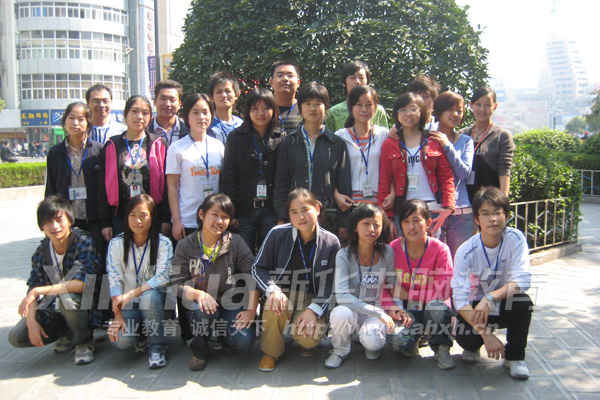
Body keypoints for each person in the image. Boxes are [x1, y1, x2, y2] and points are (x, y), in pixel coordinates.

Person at [253, 188, 340, 372]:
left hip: (311, 297)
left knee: (309, 339)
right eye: (294, 212)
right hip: (282, 293)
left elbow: (330, 283)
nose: (300, 217)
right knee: (274, 306)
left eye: (305, 210)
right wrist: (272, 289)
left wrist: (314, 309)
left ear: (317, 209)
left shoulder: (331, 242)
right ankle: (271, 352)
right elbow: (258, 267)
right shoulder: (277, 234)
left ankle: (303, 342)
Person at [452, 186, 533, 380]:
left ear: (506, 216)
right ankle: (474, 346)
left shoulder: (515, 239)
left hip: (503, 302)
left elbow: (523, 279)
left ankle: (514, 357)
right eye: (486, 214)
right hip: (476, 308)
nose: (493, 219)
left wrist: (491, 297)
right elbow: (460, 299)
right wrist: (486, 334)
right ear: (477, 219)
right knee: (467, 340)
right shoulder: (466, 251)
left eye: (498, 213)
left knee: (523, 302)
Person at [8, 196, 100, 365]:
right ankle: (66, 332)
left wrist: (38, 291)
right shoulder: (42, 251)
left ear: (70, 220)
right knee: (17, 337)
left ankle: (83, 342)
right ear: (41, 226)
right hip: (54, 308)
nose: (55, 226)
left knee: (66, 299)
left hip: (86, 305)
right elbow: (33, 286)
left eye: (59, 220)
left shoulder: (82, 242)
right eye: (48, 222)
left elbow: (81, 284)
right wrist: (31, 321)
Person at [171, 194, 258, 371]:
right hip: (201, 306)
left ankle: (225, 338)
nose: (220, 221)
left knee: (243, 341)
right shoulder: (185, 245)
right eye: (215, 214)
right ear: (201, 214)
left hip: (231, 304)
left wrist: (250, 310)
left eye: (225, 217)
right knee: (199, 311)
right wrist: (198, 294)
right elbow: (176, 284)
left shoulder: (235, 242)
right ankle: (200, 351)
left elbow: (253, 276)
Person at [273, 82, 352, 237]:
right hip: (296, 215)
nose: (312, 108)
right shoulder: (289, 142)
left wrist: (344, 222)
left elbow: (344, 185)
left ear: (326, 108)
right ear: (300, 107)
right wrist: (281, 217)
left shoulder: (337, 143)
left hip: (328, 216)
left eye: (318, 103)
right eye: (307, 104)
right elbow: (281, 183)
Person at [325, 203, 396, 368]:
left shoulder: (387, 252)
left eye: (376, 225)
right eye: (365, 223)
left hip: (376, 311)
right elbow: (342, 296)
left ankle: (368, 342)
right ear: (355, 227)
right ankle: (340, 351)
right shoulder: (343, 254)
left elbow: (392, 286)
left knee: (372, 342)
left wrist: (393, 310)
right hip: (351, 309)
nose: (371, 229)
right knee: (340, 314)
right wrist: (378, 313)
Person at [386, 199, 455, 370]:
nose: (411, 227)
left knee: (437, 308)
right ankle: (414, 341)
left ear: (428, 222)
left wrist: (409, 294)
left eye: (417, 220)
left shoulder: (440, 249)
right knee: (399, 342)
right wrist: (394, 307)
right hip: (408, 309)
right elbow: (386, 285)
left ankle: (441, 347)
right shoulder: (393, 248)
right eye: (406, 221)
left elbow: (443, 292)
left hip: (434, 308)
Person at [107, 194, 173, 369]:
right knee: (120, 340)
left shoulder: (164, 243)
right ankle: (141, 336)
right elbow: (114, 278)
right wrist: (117, 315)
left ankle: (157, 348)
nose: (138, 221)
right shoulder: (116, 244)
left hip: (156, 303)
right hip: (127, 305)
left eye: (143, 215)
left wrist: (131, 294)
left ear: (152, 217)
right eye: (133, 215)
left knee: (148, 296)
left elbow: (162, 277)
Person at [378, 92, 455, 237]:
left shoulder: (433, 140)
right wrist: (388, 217)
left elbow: (446, 176)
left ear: (422, 112)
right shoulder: (390, 144)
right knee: (402, 250)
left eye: (413, 109)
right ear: (396, 114)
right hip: (402, 210)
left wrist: (448, 207)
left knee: (431, 250)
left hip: (431, 209)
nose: (408, 114)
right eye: (403, 110)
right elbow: (384, 181)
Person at [98, 95, 170, 243]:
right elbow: (102, 185)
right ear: (125, 115)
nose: (140, 117)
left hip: (151, 213)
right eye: (135, 111)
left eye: (145, 113)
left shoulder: (158, 144)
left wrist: (165, 217)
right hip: (120, 215)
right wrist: (105, 221)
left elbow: (168, 183)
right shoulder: (112, 145)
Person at [220, 88, 282, 252]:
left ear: (273, 110)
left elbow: (283, 178)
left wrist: (281, 213)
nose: (260, 113)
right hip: (244, 210)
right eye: (255, 108)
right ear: (248, 111)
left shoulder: (280, 137)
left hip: (270, 209)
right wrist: (231, 212)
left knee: (268, 255)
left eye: (266, 108)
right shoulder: (236, 137)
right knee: (242, 256)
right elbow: (229, 176)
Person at [45, 102, 104, 256]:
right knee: (69, 261)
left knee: (97, 261)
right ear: (64, 120)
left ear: (88, 122)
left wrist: (106, 221)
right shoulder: (55, 153)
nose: (75, 123)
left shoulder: (99, 150)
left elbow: (105, 189)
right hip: (65, 222)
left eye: (81, 119)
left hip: (94, 221)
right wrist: (49, 220)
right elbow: (51, 188)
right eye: (71, 118)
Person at [166, 93, 225, 241]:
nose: (201, 117)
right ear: (186, 116)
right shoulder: (177, 148)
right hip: (188, 220)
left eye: (205, 112)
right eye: (195, 112)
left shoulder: (218, 146)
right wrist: (176, 221)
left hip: (215, 220)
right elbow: (172, 187)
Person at [429, 92, 474, 258]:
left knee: (460, 261)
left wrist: (447, 145)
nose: (455, 114)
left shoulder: (466, 141)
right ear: (439, 110)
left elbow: (463, 172)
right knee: (435, 260)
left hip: (461, 212)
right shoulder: (427, 138)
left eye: (459, 111)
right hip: (435, 210)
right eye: (450, 109)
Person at [334, 85, 389, 206]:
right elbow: (330, 171)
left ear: (375, 107)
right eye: (359, 105)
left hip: (378, 204)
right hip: (349, 203)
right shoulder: (340, 136)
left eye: (369, 104)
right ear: (351, 107)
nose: (364, 109)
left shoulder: (384, 135)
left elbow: (392, 169)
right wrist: (336, 195)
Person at [459, 87, 515, 201]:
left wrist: (502, 202)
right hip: (463, 200)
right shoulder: (462, 135)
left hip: (490, 202)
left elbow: (504, 170)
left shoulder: (502, 136)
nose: (482, 109)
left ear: (495, 106)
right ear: (471, 105)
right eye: (478, 104)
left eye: (488, 105)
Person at [325, 60, 389, 132]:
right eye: (352, 78)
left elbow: (386, 137)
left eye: (361, 78)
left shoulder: (378, 110)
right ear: (344, 83)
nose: (357, 82)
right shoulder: (333, 113)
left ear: (367, 82)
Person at [147, 79, 189, 146]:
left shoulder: (189, 130)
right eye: (163, 99)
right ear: (155, 101)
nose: (167, 104)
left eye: (172, 100)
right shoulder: (145, 130)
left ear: (179, 104)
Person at [207, 71, 243, 144]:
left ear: (236, 95)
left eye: (227, 91)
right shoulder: (207, 124)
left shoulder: (242, 124)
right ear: (211, 97)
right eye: (219, 92)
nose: (224, 95)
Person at [270, 60, 303, 135]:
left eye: (290, 76)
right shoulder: (264, 109)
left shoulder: (304, 109)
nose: (285, 79)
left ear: (298, 83)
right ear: (271, 82)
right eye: (280, 75)